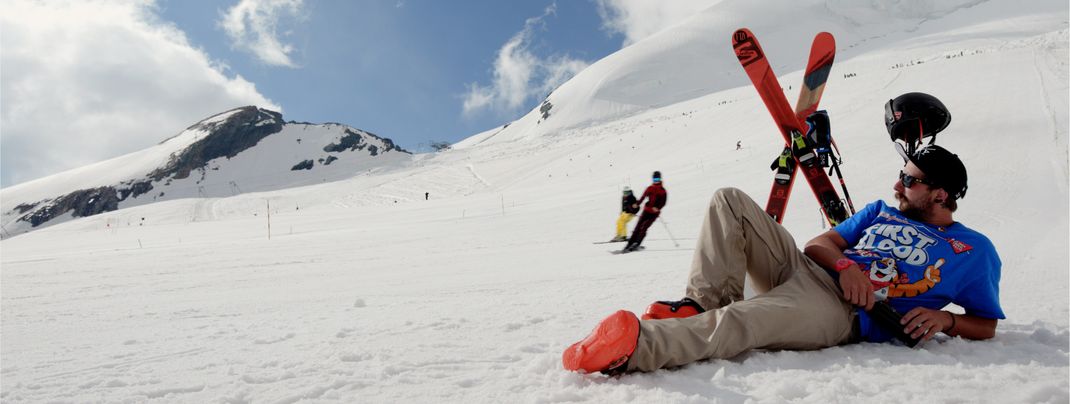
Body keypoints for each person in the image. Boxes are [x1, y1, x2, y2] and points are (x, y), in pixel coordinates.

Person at [562, 96, 1003, 374]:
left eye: (909, 181)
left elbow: (985, 323)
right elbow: (819, 244)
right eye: (900, 175)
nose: (897, 186)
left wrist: (946, 321)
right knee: (729, 200)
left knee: (743, 321)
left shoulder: (973, 250)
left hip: (841, 312)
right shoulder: (880, 212)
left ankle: (635, 348)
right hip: (807, 269)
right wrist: (846, 265)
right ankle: (701, 304)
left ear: (940, 194)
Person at [624, 171, 667, 252]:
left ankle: (637, 243)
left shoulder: (663, 191)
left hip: (654, 213)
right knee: (637, 227)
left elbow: (663, 202)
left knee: (644, 227)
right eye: (654, 179)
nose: (656, 181)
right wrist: (637, 204)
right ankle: (630, 243)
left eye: (657, 179)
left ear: (660, 179)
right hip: (646, 210)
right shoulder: (649, 188)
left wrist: (658, 208)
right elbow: (643, 197)